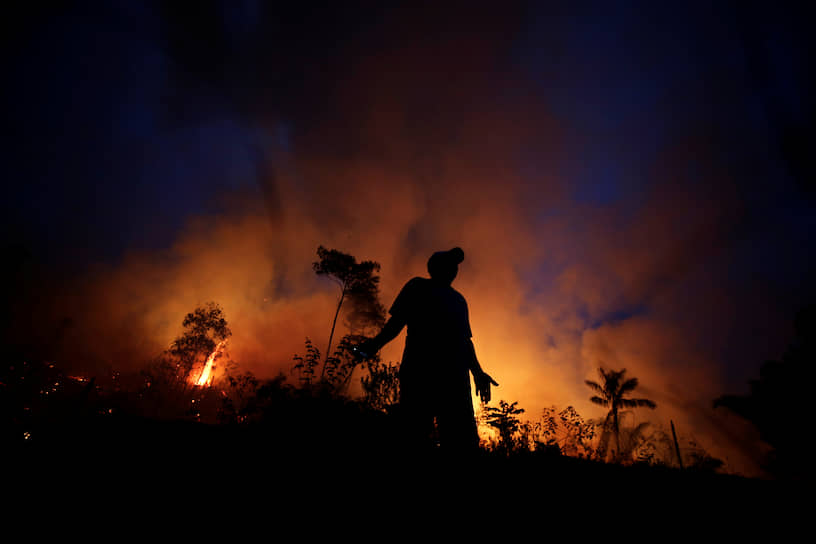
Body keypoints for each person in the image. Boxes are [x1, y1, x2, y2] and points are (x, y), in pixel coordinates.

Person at [356, 247, 498, 454]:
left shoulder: (459, 300)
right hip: (421, 374)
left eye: (455, 266)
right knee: (415, 435)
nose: (454, 270)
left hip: (455, 380)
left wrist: (478, 373)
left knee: (461, 441)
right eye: (450, 265)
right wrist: (373, 345)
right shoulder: (417, 286)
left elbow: (465, 341)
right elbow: (396, 324)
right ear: (435, 268)